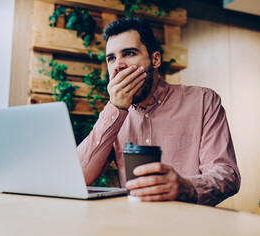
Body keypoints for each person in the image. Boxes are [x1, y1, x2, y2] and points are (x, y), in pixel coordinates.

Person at [77, 17, 240, 206]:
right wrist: (116, 109)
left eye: (129, 53)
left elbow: (227, 174)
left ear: (155, 60)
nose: (118, 65)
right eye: (111, 58)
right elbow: (78, 176)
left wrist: (186, 186)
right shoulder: (112, 117)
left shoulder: (203, 101)